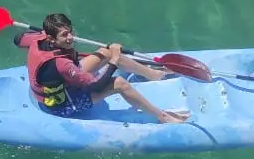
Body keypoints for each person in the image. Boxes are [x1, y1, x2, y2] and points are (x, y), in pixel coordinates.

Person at [14, 13, 188, 124]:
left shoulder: (38, 39)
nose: (71, 38)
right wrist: (115, 59)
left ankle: (155, 74)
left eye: (70, 32)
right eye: (64, 35)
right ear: (52, 40)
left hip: (65, 81)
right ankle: (162, 117)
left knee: (104, 52)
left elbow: (18, 39)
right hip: (64, 105)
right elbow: (96, 86)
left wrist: (45, 33)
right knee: (119, 83)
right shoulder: (63, 64)